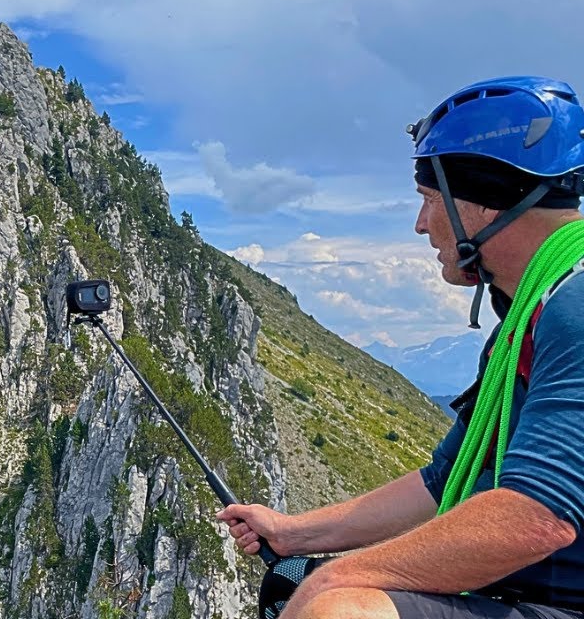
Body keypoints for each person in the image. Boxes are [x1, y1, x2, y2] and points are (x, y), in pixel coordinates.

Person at [216, 76, 584, 619]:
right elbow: (442, 484)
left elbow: (537, 517)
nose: (419, 225)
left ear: (483, 203)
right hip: (529, 597)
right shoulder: (528, 320)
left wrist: (338, 577)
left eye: (430, 200)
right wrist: (293, 534)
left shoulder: (572, 312)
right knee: (306, 584)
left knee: (337, 608)